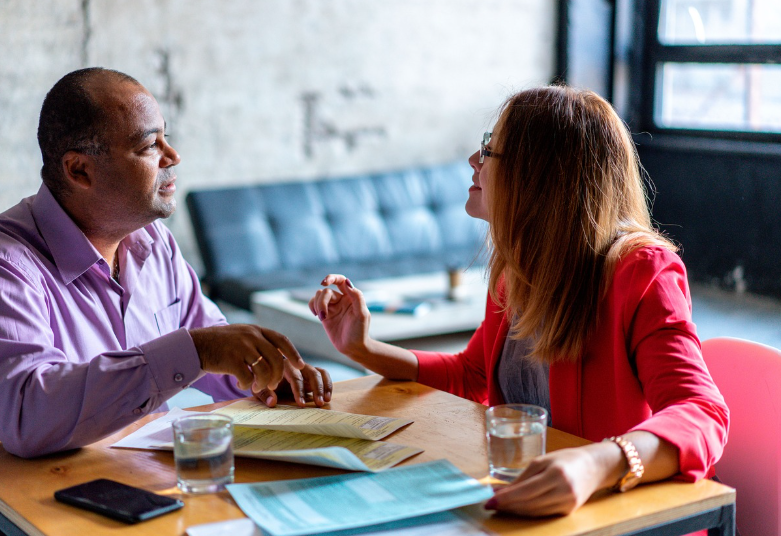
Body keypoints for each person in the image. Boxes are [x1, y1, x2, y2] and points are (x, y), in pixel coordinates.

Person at [309, 86, 729, 517]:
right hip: (525, 504)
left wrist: (596, 461)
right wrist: (362, 348)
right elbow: (472, 374)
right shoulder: (519, 269)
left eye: (490, 150)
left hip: (616, 514)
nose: (475, 160)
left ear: (538, 175)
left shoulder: (641, 270)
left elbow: (701, 412)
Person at [0, 68, 332, 460]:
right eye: (148, 146)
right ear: (79, 170)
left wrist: (267, 375)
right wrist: (197, 351)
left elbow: (213, 347)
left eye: (167, 138)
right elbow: (28, 416)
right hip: (19, 508)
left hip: (139, 479)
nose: (173, 157)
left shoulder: (153, 243)